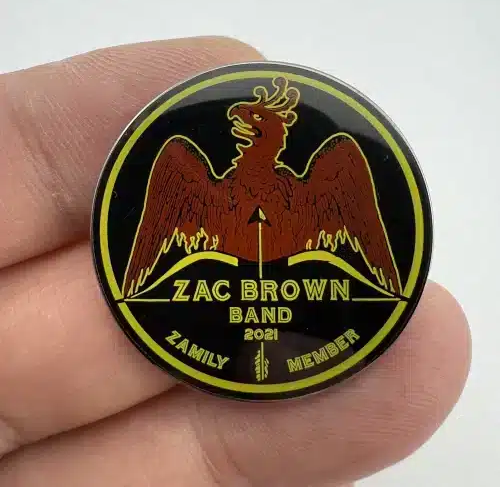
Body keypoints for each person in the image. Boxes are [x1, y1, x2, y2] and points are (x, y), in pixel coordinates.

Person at [0, 36, 471, 486]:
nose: (241, 119)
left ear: (273, 134)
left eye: (256, 120)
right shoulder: (191, 170)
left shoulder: (327, 171)